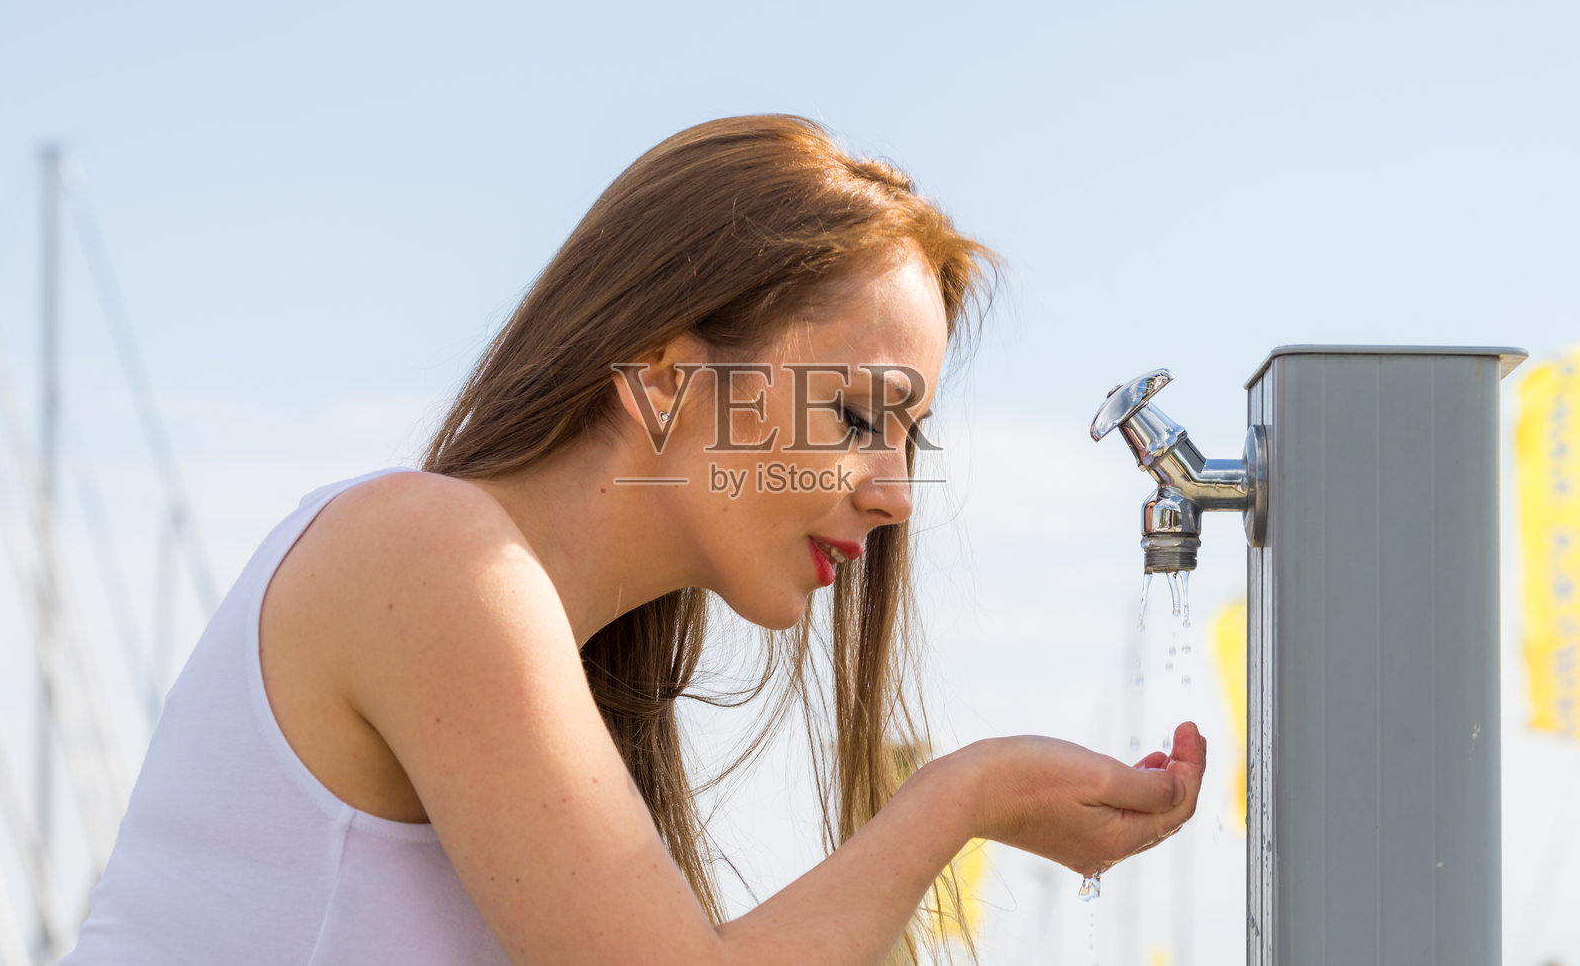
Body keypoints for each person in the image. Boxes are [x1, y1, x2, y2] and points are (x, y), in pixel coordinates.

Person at [64, 115, 1205, 964]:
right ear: (662, 380)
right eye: (859, 416)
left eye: (908, 436)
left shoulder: (521, 630)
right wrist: (962, 799)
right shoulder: (428, 552)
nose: (897, 494)